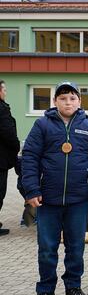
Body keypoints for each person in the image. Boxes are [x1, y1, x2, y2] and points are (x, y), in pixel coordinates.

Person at [21, 81, 88, 295]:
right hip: (47, 199)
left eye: (72, 98)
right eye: (62, 98)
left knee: (75, 246)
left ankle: (73, 287)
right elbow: (29, 157)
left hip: (78, 199)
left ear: (79, 101)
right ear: (55, 102)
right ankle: (45, 291)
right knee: (47, 247)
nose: (67, 102)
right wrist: (31, 190)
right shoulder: (42, 125)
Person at [0, 80, 21, 236]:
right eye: (4, 89)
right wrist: (16, 147)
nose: (5, 92)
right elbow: (8, 132)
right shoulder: (2, 109)